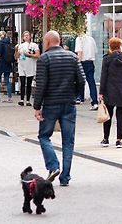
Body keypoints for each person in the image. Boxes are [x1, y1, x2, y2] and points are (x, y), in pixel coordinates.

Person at [34, 30, 85, 186]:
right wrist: (74, 95)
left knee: (44, 136)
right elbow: (82, 80)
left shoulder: (44, 59)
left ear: (48, 42)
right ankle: (65, 177)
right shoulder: (73, 57)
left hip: (50, 103)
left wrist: (37, 106)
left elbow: (41, 85)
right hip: (69, 103)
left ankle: (53, 165)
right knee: (68, 141)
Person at [99, 37, 122, 148]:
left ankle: (106, 139)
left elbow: (103, 77)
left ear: (110, 46)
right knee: (120, 115)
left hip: (109, 91)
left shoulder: (107, 59)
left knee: (108, 115)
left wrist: (101, 92)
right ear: (120, 46)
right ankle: (119, 140)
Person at [74, 32, 98, 110]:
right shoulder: (91, 39)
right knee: (91, 82)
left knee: (79, 80)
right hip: (90, 62)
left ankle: (79, 97)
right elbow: (95, 51)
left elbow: (79, 52)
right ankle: (94, 101)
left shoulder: (79, 39)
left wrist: (78, 63)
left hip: (82, 62)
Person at [16, 31, 40, 106]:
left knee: (29, 83)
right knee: (22, 82)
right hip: (22, 65)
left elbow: (38, 55)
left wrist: (29, 54)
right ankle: (22, 99)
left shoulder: (34, 45)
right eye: (24, 36)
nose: (26, 37)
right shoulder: (21, 46)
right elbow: (16, 57)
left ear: (30, 37)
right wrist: (17, 51)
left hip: (30, 65)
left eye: (27, 35)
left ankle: (28, 100)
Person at [0, 30, 13, 102]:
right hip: (8, 63)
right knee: (7, 80)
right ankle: (9, 97)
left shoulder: (0, 43)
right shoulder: (9, 43)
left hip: (0, 63)